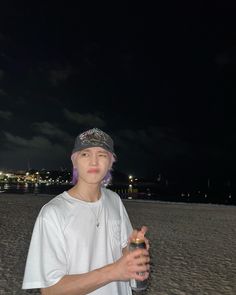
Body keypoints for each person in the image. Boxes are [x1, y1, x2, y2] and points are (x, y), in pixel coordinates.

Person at [22, 128, 150, 295]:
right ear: (74, 161)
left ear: (111, 162)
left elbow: (122, 252)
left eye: (102, 155)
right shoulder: (52, 213)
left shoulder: (114, 200)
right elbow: (51, 289)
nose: (94, 162)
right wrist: (113, 272)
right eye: (85, 154)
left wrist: (133, 249)